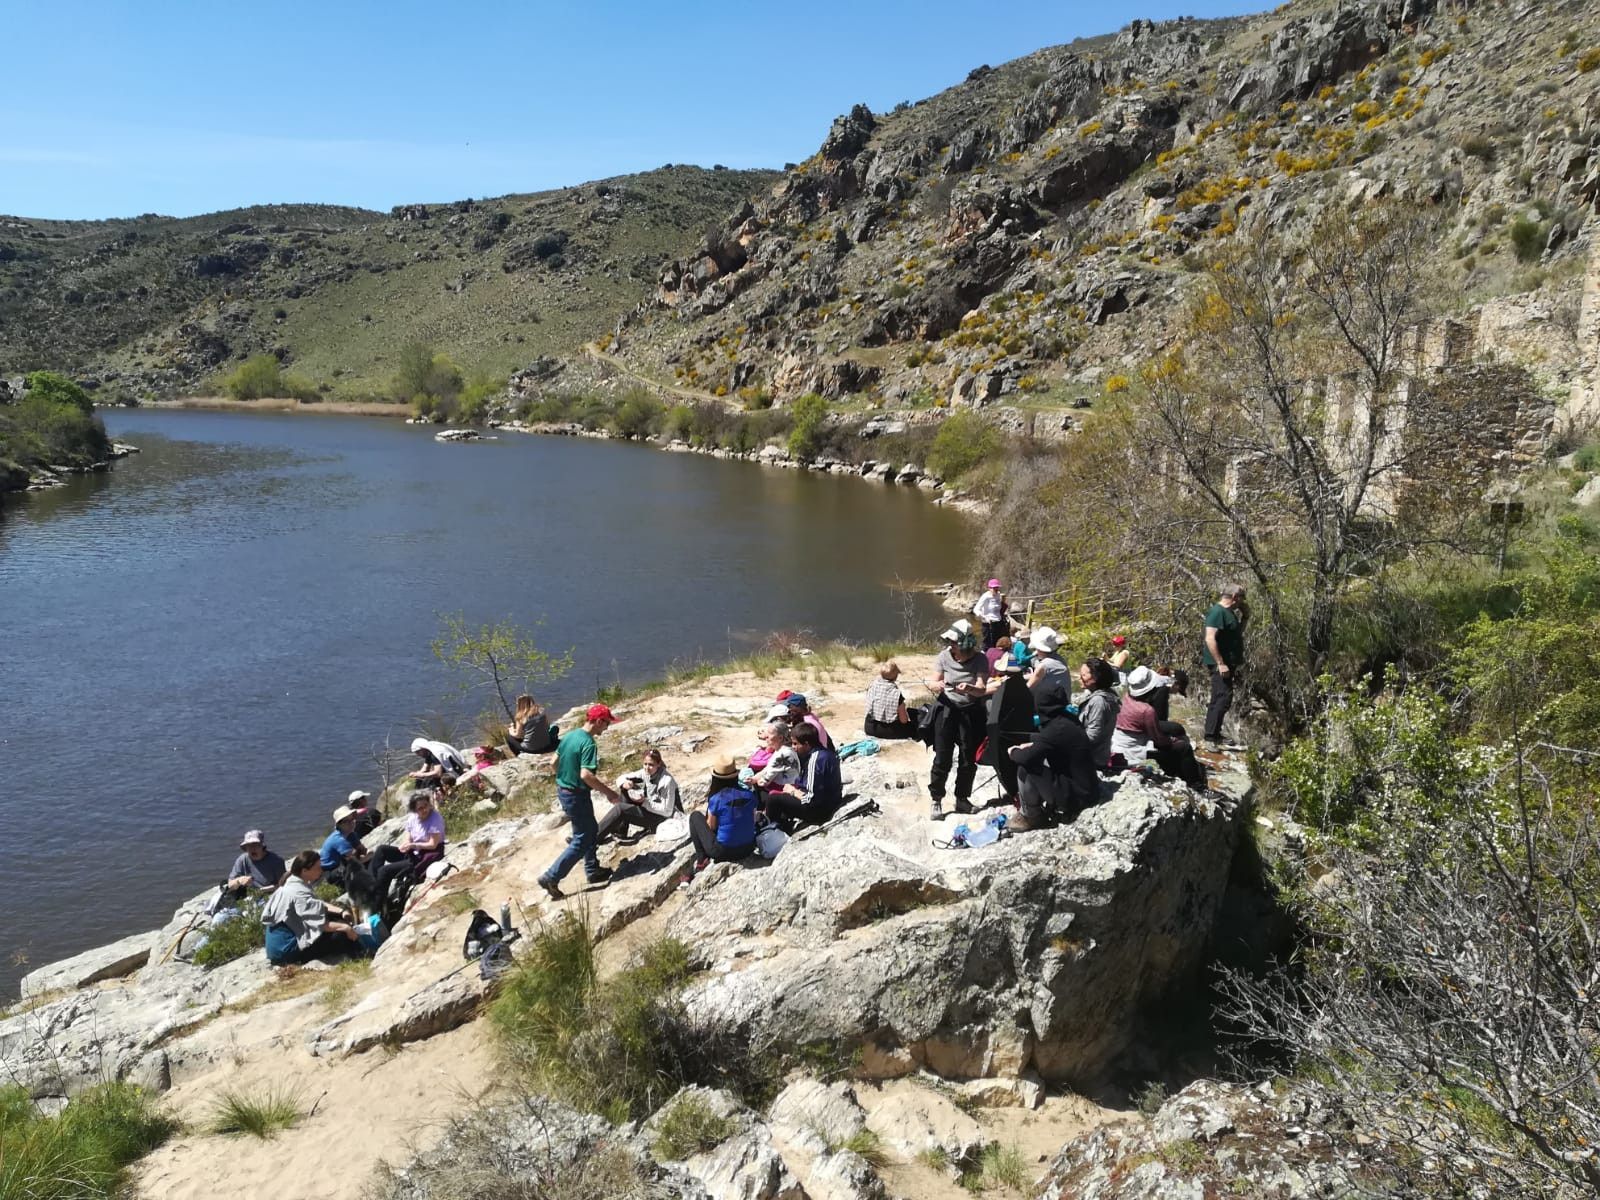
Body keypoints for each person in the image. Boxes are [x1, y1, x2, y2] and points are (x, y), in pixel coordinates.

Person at [537, 704, 621, 900]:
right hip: (577, 795)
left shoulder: (570, 736)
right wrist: (609, 793)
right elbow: (586, 775)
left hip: (564, 791)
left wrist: (565, 778)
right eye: (606, 723)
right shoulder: (589, 743)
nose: (607, 728)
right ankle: (551, 876)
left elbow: (553, 763)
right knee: (583, 837)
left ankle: (592, 870)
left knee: (588, 829)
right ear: (598, 721)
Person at [1008, 681, 1100, 831]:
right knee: (1034, 759)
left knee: (1026, 768)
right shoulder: (1068, 719)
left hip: (1075, 797)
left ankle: (1032, 816)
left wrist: (1013, 751)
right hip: (1087, 788)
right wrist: (1033, 744)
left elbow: (1025, 758)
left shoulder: (1053, 730)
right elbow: (1055, 742)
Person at [927, 620, 991, 820]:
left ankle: (962, 798)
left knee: (968, 758)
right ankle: (936, 798)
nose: (950, 645)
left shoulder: (980, 659)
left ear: (964, 643)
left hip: (970, 712)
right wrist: (936, 685)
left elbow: (982, 688)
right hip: (947, 710)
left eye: (954, 642)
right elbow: (933, 680)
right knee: (942, 757)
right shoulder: (944, 656)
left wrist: (969, 688)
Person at [261, 850, 364, 966]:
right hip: (288, 952)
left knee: (335, 917)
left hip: (279, 948)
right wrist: (346, 928)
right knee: (341, 934)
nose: (321, 870)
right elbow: (321, 925)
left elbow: (317, 904)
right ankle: (361, 955)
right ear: (305, 871)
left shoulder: (291, 883)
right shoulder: (299, 893)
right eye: (318, 867)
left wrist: (341, 912)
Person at [1114, 667, 1208, 789]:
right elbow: (1159, 741)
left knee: (1174, 740)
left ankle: (1176, 769)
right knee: (1183, 748)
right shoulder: (1146, 710)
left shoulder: (1127, 697)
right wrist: (1173, 741)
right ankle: (1196, 785)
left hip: (1121, 741)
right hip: (1134, 749)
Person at [370, 790, 447, 900]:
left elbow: (433, 844)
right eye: (420, 808)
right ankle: (371, 884)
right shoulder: (413, 817)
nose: (424, 810)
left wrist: (413, 845)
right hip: (412, 852)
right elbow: (408, 834)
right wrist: (406, 844)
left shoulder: (435, 818)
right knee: (382, 849)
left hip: (424, 856)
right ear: (415, 810)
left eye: (426, 805)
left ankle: (378, 905)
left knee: (384, 871)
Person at [766, 723, 843, 832]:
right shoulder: (825, 753)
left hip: (820, 811)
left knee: (773, 799)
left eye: (795, 744)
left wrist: (792, 791)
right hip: (831, 801)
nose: (793, 747)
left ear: (806, 744)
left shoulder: (815, 760)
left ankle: (771, 832)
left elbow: (811, 799)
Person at [597, 747, 680, 843]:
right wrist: (624, 783)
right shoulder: (646, 773)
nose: (647, 768)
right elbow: (622, 778)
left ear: (659, 764)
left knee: (620, 809)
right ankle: (621, 832)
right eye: (645, 764)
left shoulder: (666, 781)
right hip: (652, 810)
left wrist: (644, 802)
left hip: (663, 819)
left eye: (651, 765)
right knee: (625, 789)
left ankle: (591, 840)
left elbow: (667, 811)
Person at [1202, 584, 1248, 747]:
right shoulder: (1217, 612)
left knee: (1219, 697)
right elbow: (1210, 638)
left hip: (1228, 663)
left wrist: (1245, 618)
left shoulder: (1229, 614)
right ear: (1235, 597)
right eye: (1243, 597)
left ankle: (1214, 733)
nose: (1243, 601)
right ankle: (1210, 738)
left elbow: (1236, 634)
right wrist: (1220, 663)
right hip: (1220, 664)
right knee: (1223, 698)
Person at [689, 757, 757, 868]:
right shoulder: (749, 795)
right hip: (748, 848)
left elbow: (711, 827)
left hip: (723, 852)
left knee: (695, 816)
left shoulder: (716, 799)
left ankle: (701, 859)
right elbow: (753, 820)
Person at [1076, 658, 1122, 769]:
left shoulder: (1099, 701)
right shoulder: (1104, 695)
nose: (1079, 678)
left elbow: (1093, 735)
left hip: (1091, 760)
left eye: (1083, 675)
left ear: (1095, 678)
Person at [224, 831, 287, 902]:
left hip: (270, 896)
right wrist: (239, 881)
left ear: (262, 845)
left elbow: (283, 885)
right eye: (249, 846)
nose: (252, 849)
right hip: (247, 896)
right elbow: (230, 885)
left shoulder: (276, 861)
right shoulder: (242, 860)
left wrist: (261, 890)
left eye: (256, 845)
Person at [748, 720, 802, 798]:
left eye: (769, 734)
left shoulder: (782, 754)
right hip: (788, 785)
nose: (766, 736)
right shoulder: (784, 749)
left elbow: (764, 782)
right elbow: (768, 768)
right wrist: (754, 779)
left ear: (780, 738)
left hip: (785, 790)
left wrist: (755, 781)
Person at [320, 804, 372, 884]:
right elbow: (355, 862)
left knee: (370, 861)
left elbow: (362, 850)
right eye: (346, 821)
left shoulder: (351, 834)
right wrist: (370, 855)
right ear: (339, 825)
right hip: (331, 871)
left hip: (342, 863)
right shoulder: (339, 839)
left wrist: (367, 854)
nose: (351, 823)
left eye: (352, 819)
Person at [863, 661, 915, 739]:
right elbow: (904, 720)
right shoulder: (896, 693)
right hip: (889, 730)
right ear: (895, 676)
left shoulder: (872, 685)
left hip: (870, 727)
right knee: (913, 727)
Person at [975, 578, 1007, 650]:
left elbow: (999, 607)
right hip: (988, 624)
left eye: (997, 587)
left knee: (998, 643)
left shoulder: (998, 595)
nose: (996, 589)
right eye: (994, 588)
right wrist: (984, 617)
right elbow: (976, 609)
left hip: (998, 622)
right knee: (988, 644)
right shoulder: (985, 596)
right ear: (989, 588)